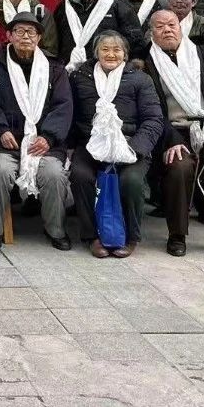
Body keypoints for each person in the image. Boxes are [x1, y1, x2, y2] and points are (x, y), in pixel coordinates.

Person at [142, 10, 204, 260]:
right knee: (179, 167)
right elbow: (149, 110)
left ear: (180, 27)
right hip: (172, 131)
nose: (167, 30)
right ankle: (177, 233)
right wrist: (171, 140)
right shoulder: (146, 62)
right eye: (160, 26)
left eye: (172, 24)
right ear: (151, 33)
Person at [0, 13, 73, 251]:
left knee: (53, 174)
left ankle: (55, 229)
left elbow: (63, 106)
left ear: (39, 38)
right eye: (19, 31)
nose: (25, 36)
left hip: (44, 142)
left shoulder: (54, 68)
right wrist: (0, 130)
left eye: (31, 32)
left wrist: (48, 136)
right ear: (9, 35)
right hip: (7, 141)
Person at [68, 32, 164, 258]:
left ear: (125, 54)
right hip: (91, 144)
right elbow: (71, 115)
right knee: (81, 176)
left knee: (131, 181)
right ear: (96, 53)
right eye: (105, 49)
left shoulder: (140, 79)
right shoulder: (80, 77)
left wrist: (135, 148)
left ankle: (130, 237)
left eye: (116, 50)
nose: (111, 54)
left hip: (130, 145)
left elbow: (153, 119)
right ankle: (92, 236)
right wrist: (69, 146)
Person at [41, 0, 144, 70]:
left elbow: (135, 43)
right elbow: (55, 41)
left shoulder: (119, 7)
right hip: (68, 71)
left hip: (109, 71)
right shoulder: (64, 7)